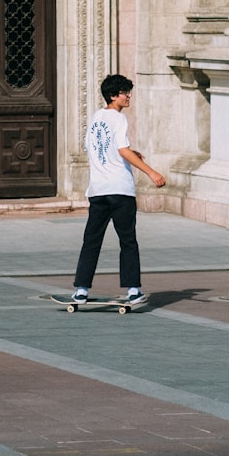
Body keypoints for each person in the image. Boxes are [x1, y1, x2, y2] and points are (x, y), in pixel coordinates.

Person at [72, 74, 166, 304]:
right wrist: (151, 172)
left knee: (91, 240)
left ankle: (81, 290)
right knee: (128, 241)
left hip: (98, 190)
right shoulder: (119, 118)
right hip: (120, 190)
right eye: (125, 92)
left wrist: (132, 154)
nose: (129, 96)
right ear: (113, 96)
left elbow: (95, 147)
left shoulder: (96, 117)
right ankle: (133, 289)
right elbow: (122, 150)